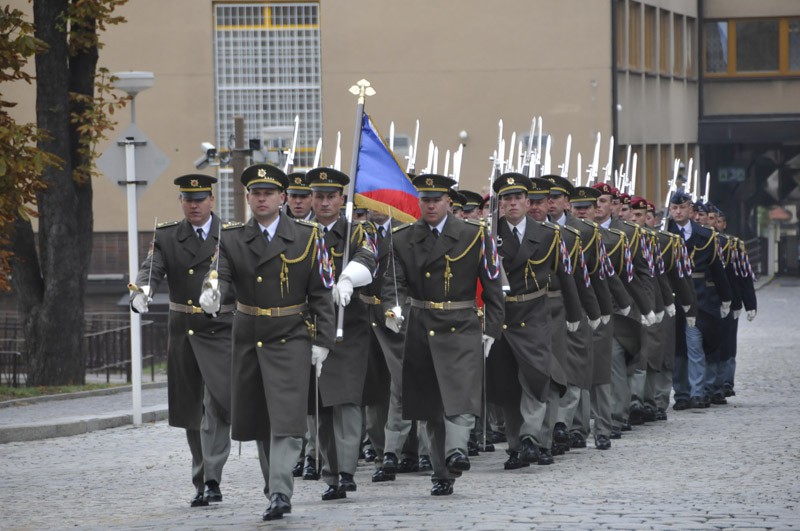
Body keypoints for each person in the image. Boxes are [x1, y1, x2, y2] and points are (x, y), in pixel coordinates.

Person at [199, 163, 335, 521]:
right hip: (249, 336)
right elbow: (220, 275)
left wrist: (323, 340)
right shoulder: (231, 237)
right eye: (256, 193)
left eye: (269, 193)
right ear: (247, 198)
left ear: (283, 198)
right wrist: (212, 293)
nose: (262, 199)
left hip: (291, 335)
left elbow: (322, 292)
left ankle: (280, 490)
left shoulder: (308, 236)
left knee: (287, 417)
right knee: (260, 418)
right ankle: (273, 486)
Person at [380, 174, 505, 496]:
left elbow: (493, 288)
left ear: (449, 201)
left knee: (461, 395)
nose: (431, 206)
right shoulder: (402, 238)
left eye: (437, 200)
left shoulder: (474, 235)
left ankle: (457, 450)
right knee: (430, 405)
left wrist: (491, 329)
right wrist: (393, 311)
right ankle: (441, 472)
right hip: (421, 324)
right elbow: (394, 284)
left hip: (461, 323)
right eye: (425, 200)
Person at [131, 174, 233, 508]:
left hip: (219, 329)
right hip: (184, 331)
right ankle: (202, 479)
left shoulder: (230, 234)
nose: (194, 205)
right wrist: (143, 291)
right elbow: (152, 267)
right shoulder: (167, 235)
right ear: (181, 202)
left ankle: (212, 478)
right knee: (192, 410)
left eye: (200, 199)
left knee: (215, 405)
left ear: (211, 200)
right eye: (188, 200)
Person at [486, 173, 581, 470]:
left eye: (518, 198)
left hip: (535, 313)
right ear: (501, 204)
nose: (513, 203)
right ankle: (517, 446)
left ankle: (533, 438)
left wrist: (575, 315)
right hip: (503, 316)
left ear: (529, 203)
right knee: (507, 385)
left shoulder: (549, 235)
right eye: (507, 199)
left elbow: (566, 275)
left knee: (537, 377)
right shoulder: (489, 235)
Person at [310, 168, 377, 502]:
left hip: (348, 328)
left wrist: (349, 277)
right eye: (319, 196)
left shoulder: (356, 230)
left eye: (331, 197)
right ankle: (331, 472)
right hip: (311, 328)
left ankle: (347, 471)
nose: (325, 203)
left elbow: (368, 256)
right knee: (322, 407)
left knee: (347, 400)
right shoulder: (300, 233)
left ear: (341, 199)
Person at [667, 190, 732, 410]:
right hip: (673, 297)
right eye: (674, 208)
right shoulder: (664, 233)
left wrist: (726, 298)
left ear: (691, 210)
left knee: (695, 345)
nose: (678, 212)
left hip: (698, 297)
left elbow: (717, 268)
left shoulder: (704, 235)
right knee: (678, 349)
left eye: (682, 207)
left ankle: (697, 392)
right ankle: (681, 394)